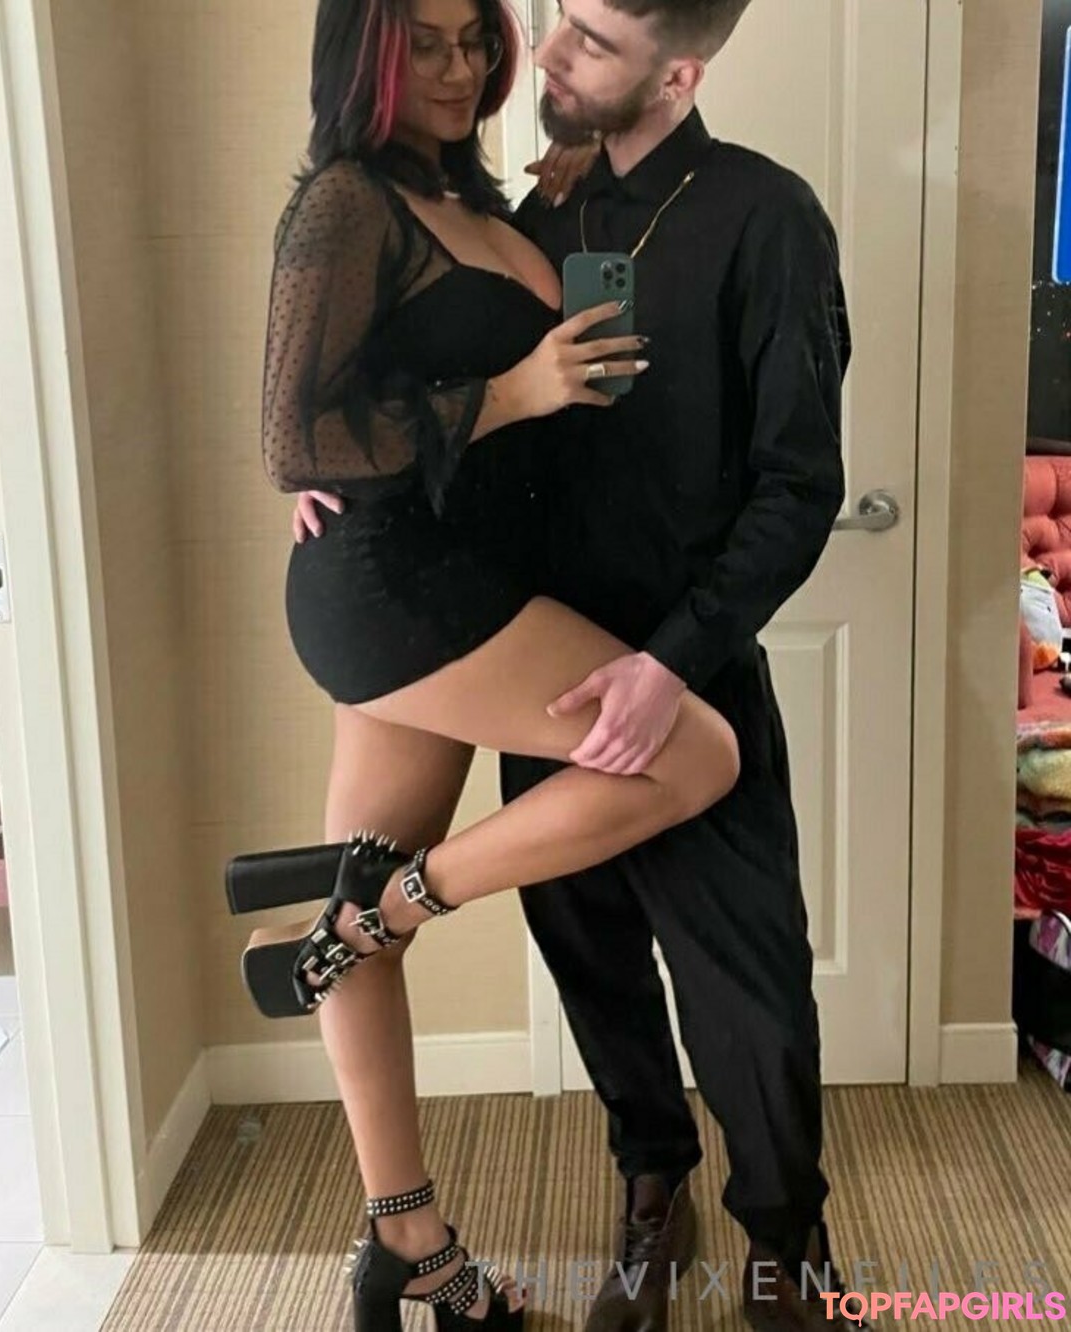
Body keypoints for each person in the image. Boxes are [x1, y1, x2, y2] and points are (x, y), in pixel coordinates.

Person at [299, 0, 867, 1326]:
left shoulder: (766, 217)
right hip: (537, 663)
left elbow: (799, 487)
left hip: (686, 668)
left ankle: (786, 1249)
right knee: (592, 961)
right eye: (559, 25)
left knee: (751, 992)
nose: (542, 57)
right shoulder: (529, 213)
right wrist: (336, 473)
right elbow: (396, 383)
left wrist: (672, 663)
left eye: (592, 42)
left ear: (679, 73)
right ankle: (651, 1190)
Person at [234, 0, 741, 1327]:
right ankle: (398, 901)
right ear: (366, 54)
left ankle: (409, 1248)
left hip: (462, 584)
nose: (460, 68)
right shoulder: (342, 205)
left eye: (475, 41)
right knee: (695, 753)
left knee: (348, 909)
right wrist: (513, 394)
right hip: (398, 589)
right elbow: (291, 437)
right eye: (428, 45)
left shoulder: (475, 199)